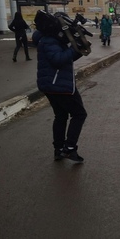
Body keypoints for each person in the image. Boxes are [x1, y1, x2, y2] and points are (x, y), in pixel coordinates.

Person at [32, 11, 89, 163]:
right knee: (79, 114)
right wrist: (73, 48)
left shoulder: (50, 39)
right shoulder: (49, 40)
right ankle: (69, 148)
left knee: (61, 116)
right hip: (59, 85)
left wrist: (78, 49)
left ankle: (58, 149)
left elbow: (66, 58)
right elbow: (58, 59)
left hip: (52, 84)